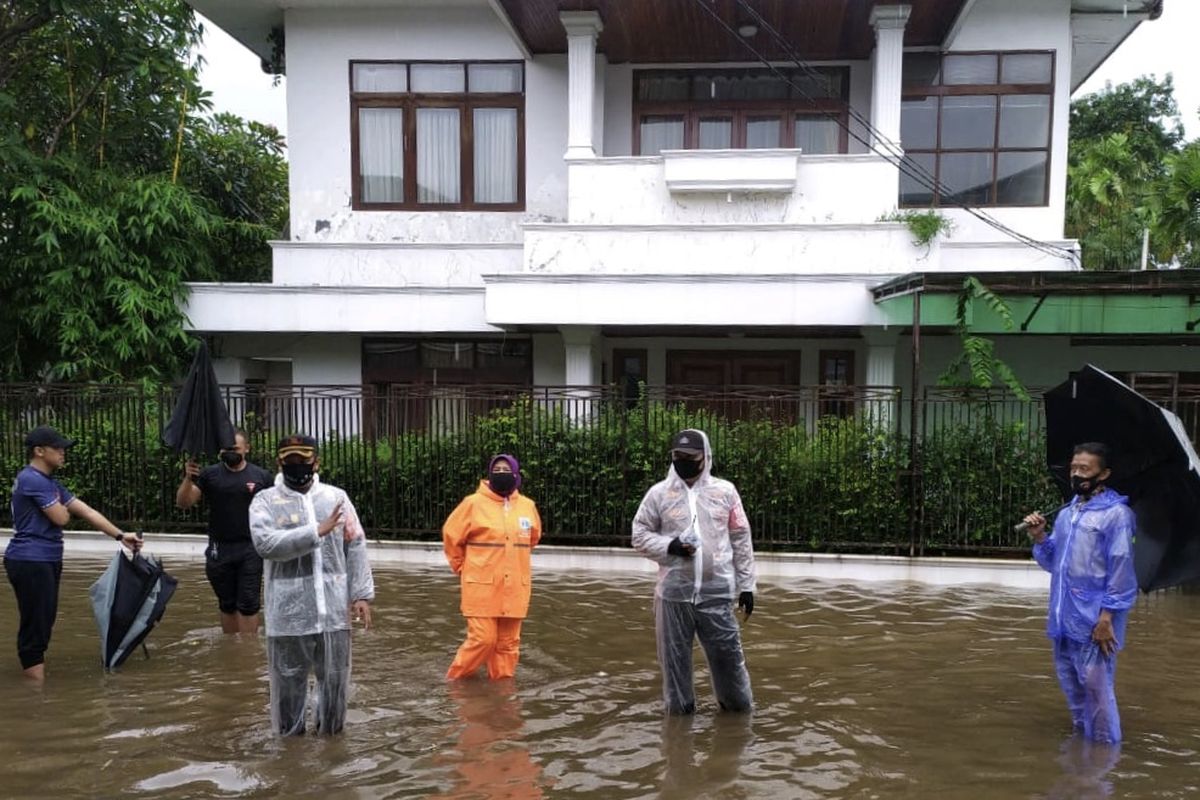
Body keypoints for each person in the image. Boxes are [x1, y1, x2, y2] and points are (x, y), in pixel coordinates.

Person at [249, 434, 374, 735]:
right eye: (290, 461)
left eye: (302, 461)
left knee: (335, 685)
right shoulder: (264, 501)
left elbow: (355, 542)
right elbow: (265, 544)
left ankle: (331, 751)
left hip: (332, 612)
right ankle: (290, 756)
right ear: (279, 462)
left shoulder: (336, 498)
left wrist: (360, 594)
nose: (297, 466)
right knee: (288, 689)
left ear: (316, 462)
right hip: (288, 617)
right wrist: (315, 531)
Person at [631, 428, 756, 715]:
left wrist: (747, 585)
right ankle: (679, 729)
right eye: (677, 455)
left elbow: (740, 538)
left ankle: (737, 715)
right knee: (675, 669)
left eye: (690, 456)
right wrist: (670, 546)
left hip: (718, 593)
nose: (683, 461)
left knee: (730, 664)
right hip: (673, 596)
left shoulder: (725, 492)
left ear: (705, 457)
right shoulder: (658, 494)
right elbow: (639, 534)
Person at [4, 426, 142, 680]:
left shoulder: (49, 483)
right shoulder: (32, 479)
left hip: (44, 558)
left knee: (44, 618)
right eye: (58, 448)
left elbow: (87, 512)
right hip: (31, 558)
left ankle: (35, 680)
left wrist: (121, 536)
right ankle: (35, 690)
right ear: (39, 451)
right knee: (37, 622)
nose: (63, 452)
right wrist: (62, 508)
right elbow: (62, 517)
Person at [1022, 442, 1137, 744]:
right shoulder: (1068, 512)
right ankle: (1080, 754)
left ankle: (1102, 761)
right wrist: (1040, 536)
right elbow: (1053, 563)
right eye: (1073, 468)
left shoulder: (1116, 515)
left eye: (1084, 469)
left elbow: (1121, 570)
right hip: (1063, 619)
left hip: (1095, 623)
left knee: (1098, 694)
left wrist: (1107, 618)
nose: (1076, 474)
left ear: (1104, 473)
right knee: (1073, 690)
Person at [443, 454, 542, 681]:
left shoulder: (527, 506)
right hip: (481, 588)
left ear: (516, 474)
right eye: (496, 470)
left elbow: (533, 538)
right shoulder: (472, 503)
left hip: (515, 587)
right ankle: (455, 682)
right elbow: (452, 538)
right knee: (483, 639)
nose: (500, 474)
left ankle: (501, 694)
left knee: (508, 645)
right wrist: (463, 569)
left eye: (505, 469)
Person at [175, 430, 273, 634]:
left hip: (250, 547)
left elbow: (276, 509)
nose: (231, 452)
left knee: (248, 603)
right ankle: (231, 649)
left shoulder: (261, 477)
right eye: (227, 449)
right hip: (219, 548)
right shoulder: (209, 475)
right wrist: (188, 479)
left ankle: (247, 653)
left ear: (247, 448)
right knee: (227, 603)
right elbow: (184, 502)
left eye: (235, 449)